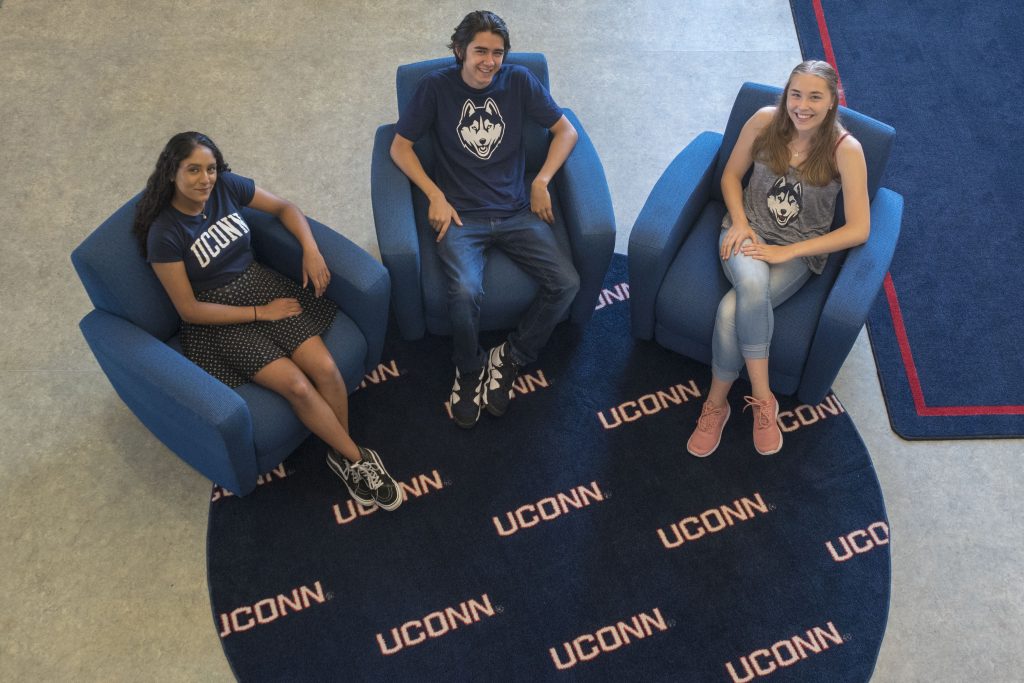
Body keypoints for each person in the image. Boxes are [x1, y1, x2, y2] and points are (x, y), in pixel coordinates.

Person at [132, 132, 402, 510]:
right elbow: (188, 309)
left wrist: (311, 250)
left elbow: (285, 208)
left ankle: (340, 457)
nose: (205, 179)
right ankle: (357, 460)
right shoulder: (164, 233)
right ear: (171, 172)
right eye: (193, 170)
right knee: (297, 386)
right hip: (217, 318)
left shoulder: (227, 186)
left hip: (260, 286)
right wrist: (261, 313)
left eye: (209, 168)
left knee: (325, 368)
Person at [390, 10, 581, 429]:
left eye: (497, 53)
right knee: (463, 291)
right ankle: (469, 366)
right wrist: (435, 195)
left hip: (516, 211)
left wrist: (541, 181)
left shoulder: (519, 82)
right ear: (460, 50)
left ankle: (511, 356)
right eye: (480, 50)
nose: (489, 61)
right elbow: (399, 147)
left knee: (566, 283)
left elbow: (567, 131)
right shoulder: (434, 88)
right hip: (461, 218)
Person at [686, 61, 870, 458]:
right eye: (796, 94)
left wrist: (786, 252)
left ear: (833, 101)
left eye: (815, 97)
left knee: (730, 310)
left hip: (798, 252)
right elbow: (730, 177)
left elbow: (859, 229)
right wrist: (739, 222)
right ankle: (763, 398)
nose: (802, 106)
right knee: (750, 286)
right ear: (786, 93)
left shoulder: (846, 150)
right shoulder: (764, 121)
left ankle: (716, 403)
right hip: (746, 231)